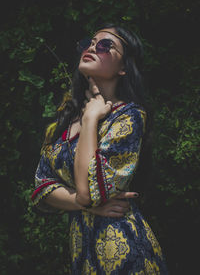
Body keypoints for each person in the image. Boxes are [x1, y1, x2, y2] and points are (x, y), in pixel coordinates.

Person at [31, 23, 168, 274]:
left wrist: (90, 119)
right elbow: (42, 185)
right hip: (82, 252)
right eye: (90, 43)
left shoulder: (129, 117)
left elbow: (89, 191)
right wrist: (85, 204)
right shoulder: (65, 117)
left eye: (106, 45)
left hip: (124, 251)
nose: (93, 47)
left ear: (124, 67)